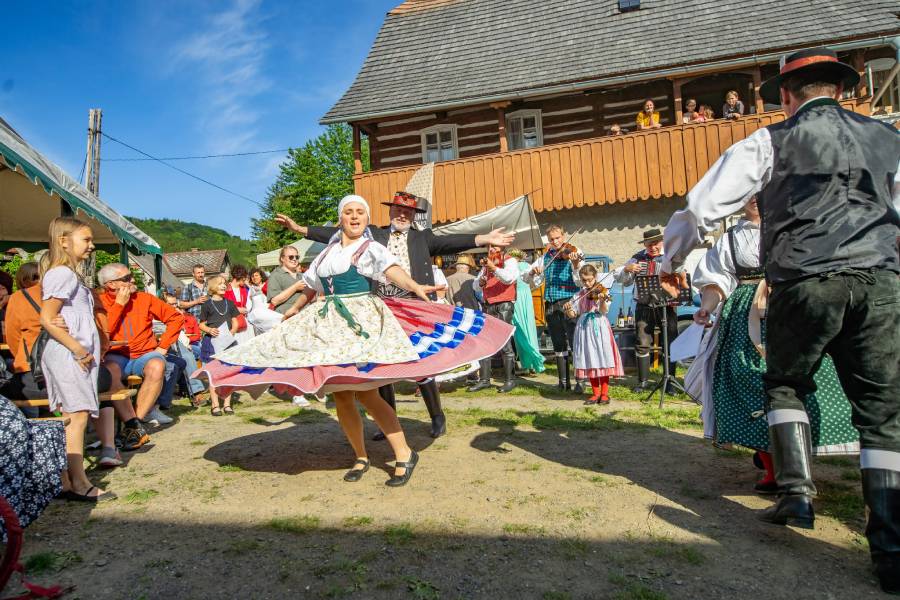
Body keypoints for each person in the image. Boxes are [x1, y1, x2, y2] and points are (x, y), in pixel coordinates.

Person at [660, 47, 899, 594]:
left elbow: (702, 210)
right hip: (881, 281)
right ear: (841, 90)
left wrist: (672, 259)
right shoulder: (889, 138)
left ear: (787, 95)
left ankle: (796, 493)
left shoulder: (770, 140)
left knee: (787, 382)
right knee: (883, 414)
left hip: (805, 280)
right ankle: (890, 553)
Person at [198, 195, 514, 486]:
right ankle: (360, 456)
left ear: (366, 218)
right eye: (348, 212)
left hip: (360, 321)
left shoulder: (371, 247)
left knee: (367, 393)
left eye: (360, 212)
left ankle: (404, 453)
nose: (354, 216)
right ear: (341, 218)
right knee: (343, 396)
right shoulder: (326, 253)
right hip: (326, 323)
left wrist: (417, 288)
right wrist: (292, 311)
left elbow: (393, 271)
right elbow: (311, 286)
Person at [279, 190, 514, 438]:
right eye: (398, 210)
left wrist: (485, 237)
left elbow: (452, 241)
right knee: (384, 365)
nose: (402, 214)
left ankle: (437, 416)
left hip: (415, 303)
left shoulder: (423, 238)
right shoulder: (375, 235)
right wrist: (301, 229)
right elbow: (337, 233)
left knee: (421, 363)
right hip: (382, 306)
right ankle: (387, 422)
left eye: (408, 211)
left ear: (413, 216)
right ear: (390, 211)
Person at [690, 197, 859, 493]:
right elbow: (716, 282)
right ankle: (774, 470)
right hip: (744, 317)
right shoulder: (730, 238)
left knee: (807, 383)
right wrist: (707, 307)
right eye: (750, 191)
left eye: (763, 190)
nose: (756, 197)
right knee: (751, 385)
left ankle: (799, 463)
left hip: (793, 309)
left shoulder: (796, 226)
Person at [38, 217, 114, 501]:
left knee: (72, 416)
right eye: (87, 240)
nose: (92, 246)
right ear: (64, 241)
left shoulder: (68, 274)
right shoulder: (63, 274)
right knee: (77, 415)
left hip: (73, 352)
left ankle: (68, 480)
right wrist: (79, 349)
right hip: (71, 354)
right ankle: (80, 482)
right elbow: (47, 318)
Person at [98, 263, 184, 427]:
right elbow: (102, 331)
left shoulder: (144, 298)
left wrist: (163, 346)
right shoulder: (100, 302)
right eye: (126, 278)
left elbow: (176, 318)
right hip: (116, 355)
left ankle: (135, 423)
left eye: (131, 276)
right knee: (110, 370)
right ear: (111, 284)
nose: (132, 280)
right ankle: (127, 423)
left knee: (157, 364)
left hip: (144, 355)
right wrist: (119, 306)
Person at [614, 228, 678, 393]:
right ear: (645, 244)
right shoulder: (637, 258)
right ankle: (642, 381)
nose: (653, 247)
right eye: (649, 244)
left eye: (655, 243)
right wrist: (627, 270)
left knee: (670, 343)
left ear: (661, 242)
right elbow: (624, 281)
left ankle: (670, 381)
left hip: (667, 306)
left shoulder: (671, 255)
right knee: (642, 342)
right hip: (644, 305)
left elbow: (681, 276)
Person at [525, 225, 584, 392]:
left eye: (558, 238)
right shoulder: (545, 258)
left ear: (563, 237)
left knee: (575, 342)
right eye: (552, 239)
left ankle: (580, 381)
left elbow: (581, 281)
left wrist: (575, 263)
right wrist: (533, 273)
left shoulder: (574, 252)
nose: (555, 242)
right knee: (558, 343)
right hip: (550, 303)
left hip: (569, 302)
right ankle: (563, 381)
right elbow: (528, 281)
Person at [566, 264, 623, 405]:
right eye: (584, 280)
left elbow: (604, 311)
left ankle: (604, 394)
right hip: (584, 328)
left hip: (599, 325)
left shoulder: (603, 291)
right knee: (589, 358)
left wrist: (603, 299)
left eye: (590, 280)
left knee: (602, 357)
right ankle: (595, 393)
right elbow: (574, 313)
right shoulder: (579, 295)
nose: (587, 283)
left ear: (595, 277)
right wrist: (568, 309)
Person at [470, 245, 520, 392]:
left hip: (504, 304)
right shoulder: (486, 265)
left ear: (502, 248)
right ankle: (484, 380)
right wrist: (480, 283)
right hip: (488, 304)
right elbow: (475, 286)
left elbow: (509, 278)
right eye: (490, 247)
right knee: (486, 342)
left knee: (505, 343)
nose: (492, 250)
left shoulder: (509, 261)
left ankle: (510, 380)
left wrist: (494, 268)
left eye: (495, 247)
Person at [198, 275, 240, 416]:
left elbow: (235, 321)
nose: (223, 285)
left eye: (224, 283)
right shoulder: (207, 305)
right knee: (213, 373)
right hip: (212, 343)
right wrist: (210, 330)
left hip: (228, 342)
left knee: (228, 373)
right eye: (220, 283)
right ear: (212, 287)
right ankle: (215, 404)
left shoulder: (230, 303)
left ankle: (227, 404)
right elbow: (201, 324)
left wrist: (232, 332)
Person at [509, 249, 545, 375]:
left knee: (519, 330)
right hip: (526, 297)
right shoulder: (527, 266)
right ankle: (534, 363)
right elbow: (535, 283)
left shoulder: (510, 267)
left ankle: (528, 362)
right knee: (529, 328)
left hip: (516, 297)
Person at [267, 246, 308, 315]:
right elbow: (274, 301)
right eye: (291, 257)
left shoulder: (302, 275)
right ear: (282, 258)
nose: (294, 259)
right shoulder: (275, 275)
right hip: (287, 316)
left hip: (305, 314)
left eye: (297, 257)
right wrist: (295, 287)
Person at [224, 264, 255, 344]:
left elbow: (248, 303)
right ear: (241, 277)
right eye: (244, 278)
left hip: (243, 321)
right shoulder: (226, 289)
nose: (245, 280)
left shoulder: (244, 289)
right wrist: (237, 309)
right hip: (232, 322)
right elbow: (222, 306)